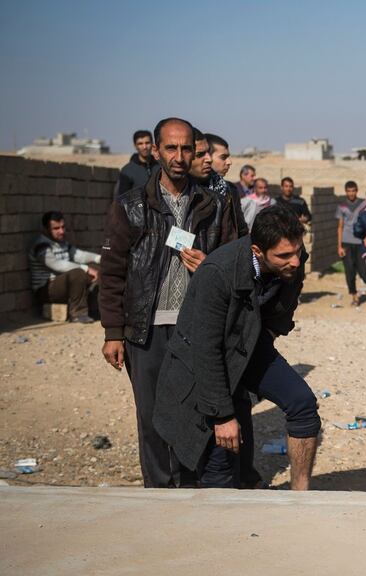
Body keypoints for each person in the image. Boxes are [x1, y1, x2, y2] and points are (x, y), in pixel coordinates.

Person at [99, 117, 230, 488]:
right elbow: (112, 271)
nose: (178, 156)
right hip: (146, 329)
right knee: (152, 414)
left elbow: (231, 259)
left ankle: (189, 489)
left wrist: (210, 264)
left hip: (194, 326)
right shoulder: (130, 207)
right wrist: (113, 332)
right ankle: (158, 491)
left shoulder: (212, 204)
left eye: (186, 148)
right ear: (155, 151)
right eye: (170, 148)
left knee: (192, 412)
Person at [153, 206, 321, 490]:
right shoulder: (217, 272)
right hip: (203, 363)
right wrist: (222, 416)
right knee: (221, 456)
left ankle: (300, 496)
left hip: (249, 344)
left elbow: (285, 304)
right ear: (257, 251)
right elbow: (206, 349)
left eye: (297, 252)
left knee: (302, 405)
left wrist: (267, 332)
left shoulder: (293, 256)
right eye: (284, 256)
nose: (295, 261)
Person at [29, 211, 101, 323]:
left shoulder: (62, 243)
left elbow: (79, 255)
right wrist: (86, 269)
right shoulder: (42, 246)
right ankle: (78, 314)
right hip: (46, 290)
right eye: (56, 228)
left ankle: (97, 308)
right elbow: (58, 265)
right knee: (78, 273)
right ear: (46, 229)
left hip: (64, 283)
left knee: (99, 268)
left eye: (63, 227)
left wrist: (99, 258)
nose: (61, 231)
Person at [206, 133, 248, 237]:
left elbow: (240, 228)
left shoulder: (230, 189)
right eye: (223, 157)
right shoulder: (190, 188)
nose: (229, 162)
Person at [335, 180, 366, 306]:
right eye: (349, 191)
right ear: (345, 192)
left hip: (360, 243)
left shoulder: (363, 204)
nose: (351, 193)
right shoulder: (342, 206)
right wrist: (339, 246)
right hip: (346, 243)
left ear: (357, 190)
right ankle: (354, 296)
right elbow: (340, 227)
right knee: (349, 271)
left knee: (364, 271)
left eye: (353, 190)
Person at [114, 130, 159, 198]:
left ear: (152, 144)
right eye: (140, 144)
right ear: (135, 146)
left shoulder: (161, 167)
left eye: (147, 143)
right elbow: (123, 199)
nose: (144, 147)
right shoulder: (127, 171)